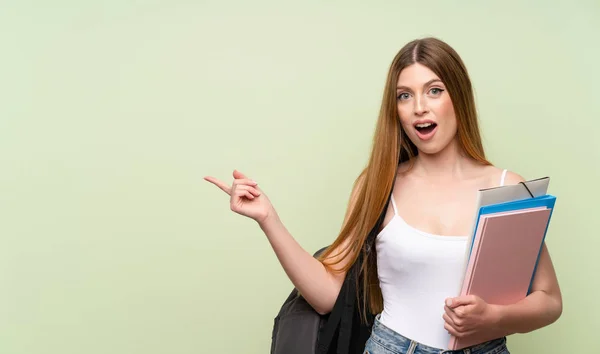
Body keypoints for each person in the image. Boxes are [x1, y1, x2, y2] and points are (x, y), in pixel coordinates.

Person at [204, 37, 563, 354]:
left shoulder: (508, 188)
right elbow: (329, 294)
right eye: (404, 96)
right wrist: (268, 218)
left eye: (434, 90)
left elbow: (549, 301)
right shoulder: (377, 185)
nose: (419, 106)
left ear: (458, 95)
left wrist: (495, 317)